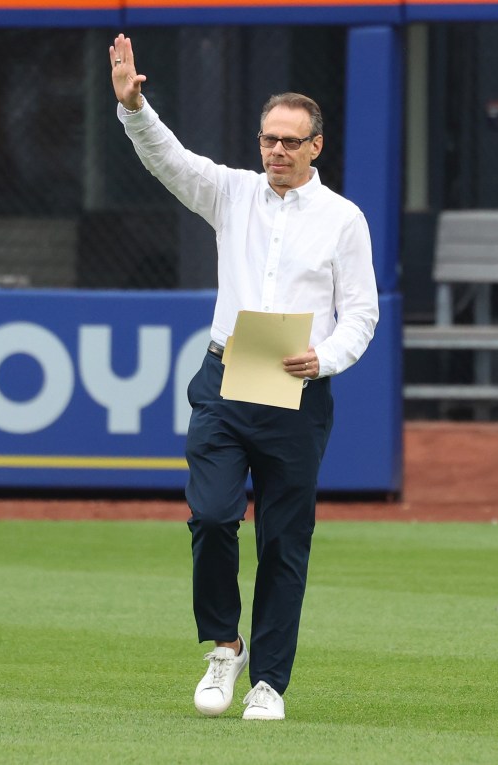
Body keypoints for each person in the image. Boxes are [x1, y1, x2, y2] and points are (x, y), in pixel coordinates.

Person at [109, 33, 380, 720]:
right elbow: (169, 162)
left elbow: (362, 313)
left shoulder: (343, 219)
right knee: (212, 515)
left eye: (291, 141)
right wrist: (135, 107)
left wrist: (325, 357)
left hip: (296, 388)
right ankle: (223, 646)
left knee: (285, 541)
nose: (277, 152)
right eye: (268, 140)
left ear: (317, 145)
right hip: (227, 375)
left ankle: (269, 682)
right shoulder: (233, 194)